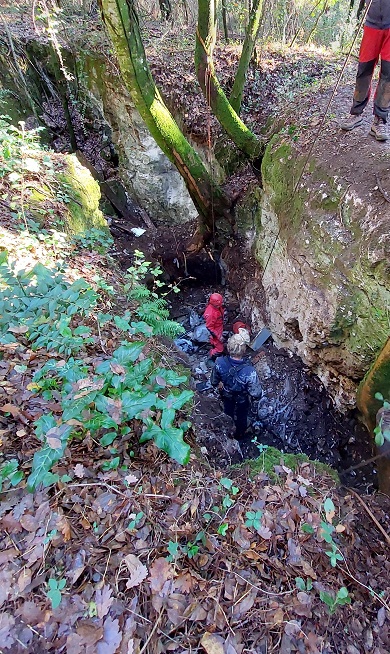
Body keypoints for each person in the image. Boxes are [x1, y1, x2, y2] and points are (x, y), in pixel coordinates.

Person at [340, 0, 390, 141]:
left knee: (388, 74)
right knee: (364, 70)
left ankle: (380, 119)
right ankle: (356, 113)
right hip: (372, 23)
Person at [210, 330, 262, 440]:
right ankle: (240, 435)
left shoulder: (219, 362)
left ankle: (228, 432)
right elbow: (256, 393)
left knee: (228, 411)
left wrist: (220, 383)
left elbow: (213, 381)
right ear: (243, 350)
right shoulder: (250, 371)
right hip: (242, 399)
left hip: (226, 394)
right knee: (242, 416)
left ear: (229, 348)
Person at [203, 292, 225, 360]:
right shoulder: (211, 314)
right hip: (216, 330)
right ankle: (212, 356)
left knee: (215, 342)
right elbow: (209, 327)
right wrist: (219, 336)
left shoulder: (217, 307)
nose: (220, 305)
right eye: (218, 305)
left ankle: (213, 344)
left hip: (219, 326)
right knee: (220, 349)